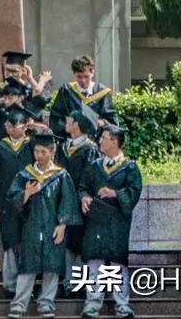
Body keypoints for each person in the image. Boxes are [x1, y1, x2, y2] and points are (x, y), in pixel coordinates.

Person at [5, 128, 81, 319]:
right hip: (30, 226)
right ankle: (18, 305)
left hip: (52, 226)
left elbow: (68, 201)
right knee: (27, 266)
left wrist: (63, 225)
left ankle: (46, 304)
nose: (39, 156)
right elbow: (11, 199)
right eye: (36, 151)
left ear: (52, 152)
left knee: (52, 267)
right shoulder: (25, 175)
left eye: (43, 152)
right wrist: (27, 194)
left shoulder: (61, 175)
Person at [78, 124, 143, 319]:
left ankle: (122, 306)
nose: (100, 141)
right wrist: (84, 198)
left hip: (117, 222)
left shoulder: (129, 167)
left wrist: (114, 192)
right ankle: (91, 306)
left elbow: (134, 192)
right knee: (94, 263)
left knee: (117, 264)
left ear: (114, 141)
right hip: (96, 220)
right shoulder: (94, 166)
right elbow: (82, 186)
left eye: (104, 138)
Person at [0, 106, 33, 296]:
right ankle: (9, 283)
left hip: (27, 200)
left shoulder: (32, 147)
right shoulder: (0, 146)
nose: (10, 128)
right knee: (8, 241)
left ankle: (25, 285)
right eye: (8, 124)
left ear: (24, 127)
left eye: (14, 125)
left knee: (25, 241)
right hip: (5, 202)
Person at [58, 108, 99, 295]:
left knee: (78, 243)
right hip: (64, 202)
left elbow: (90, 177)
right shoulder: (64, 147)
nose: (66, 122)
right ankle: (68, 283)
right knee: (66, 243)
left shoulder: (90, 149)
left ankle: (77, 284)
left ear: (76, 124)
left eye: (69, 119)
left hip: (81, 203)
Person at [49, 57, 118, 141]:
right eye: (79, 76)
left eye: (86, 76)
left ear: (92, 73)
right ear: (74, 73)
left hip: (95, 143)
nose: (83, 80)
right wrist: (69, 126)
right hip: (71, 141)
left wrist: (101, 123)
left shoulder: (103, 93)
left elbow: (112, 122)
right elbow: (56, 118)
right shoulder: (66, 91)